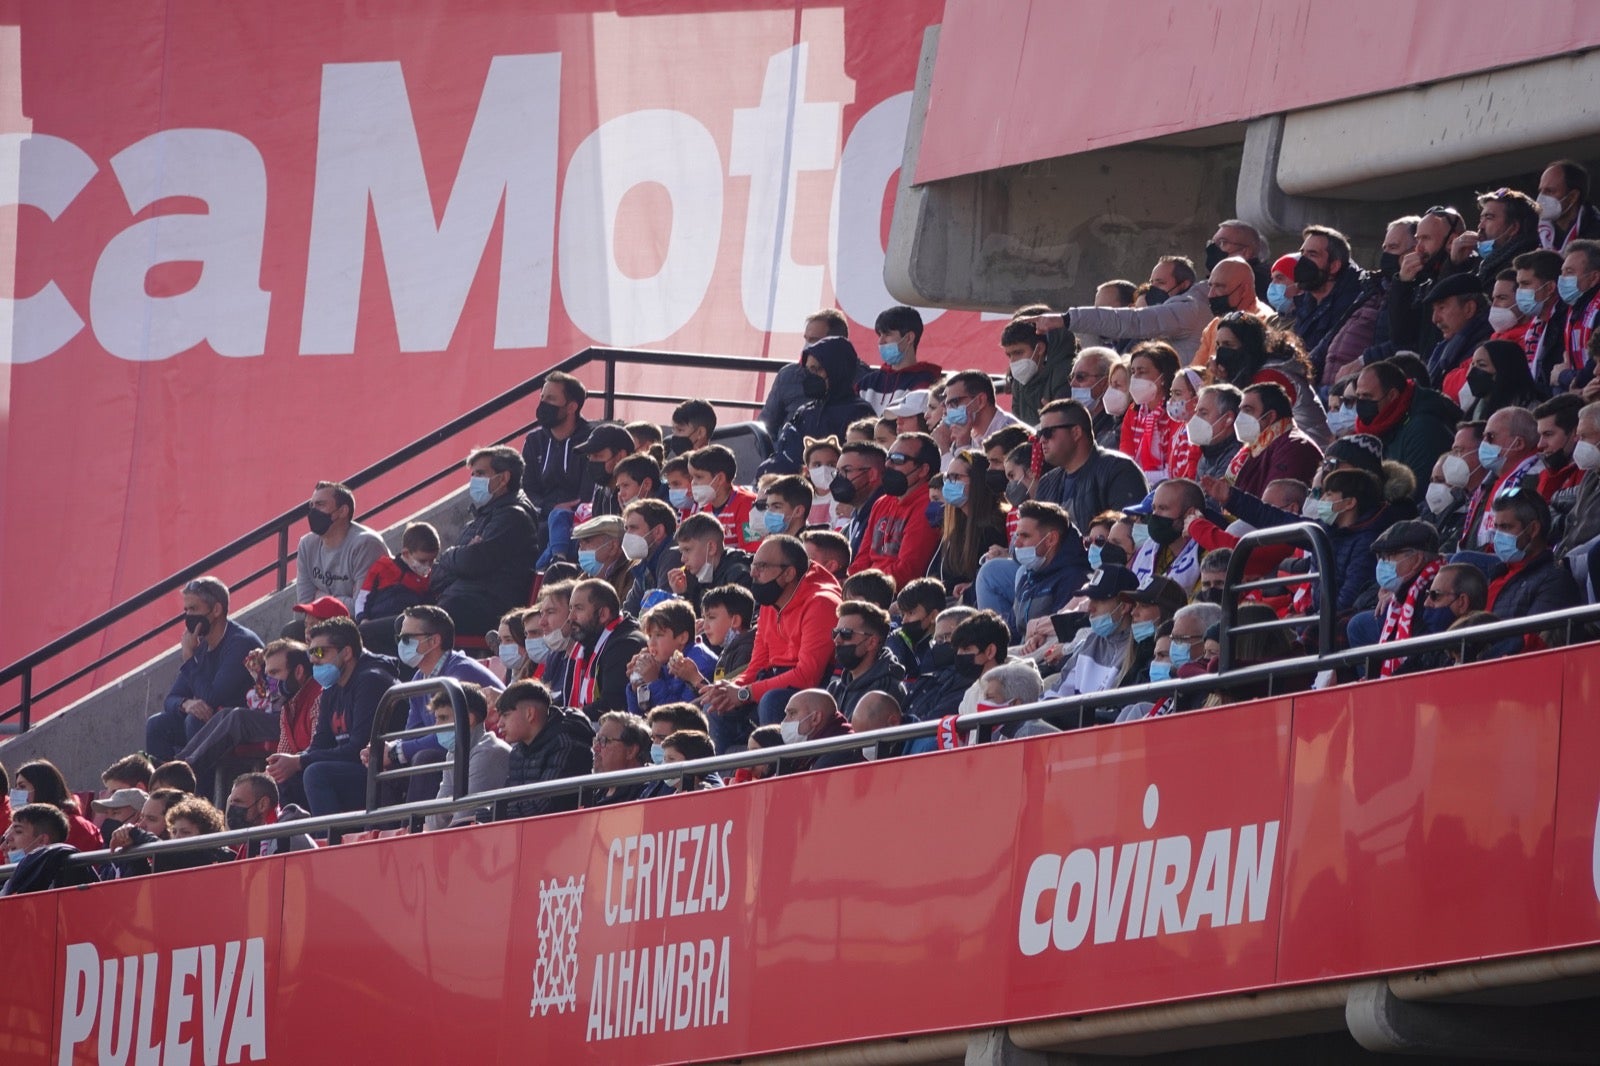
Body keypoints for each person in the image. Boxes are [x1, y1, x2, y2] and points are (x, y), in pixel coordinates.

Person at [702, 535, 841, 727]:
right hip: (773, 680)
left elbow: (807, 676)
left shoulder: (822, 603)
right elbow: (757, 666)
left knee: (772, 700)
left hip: (810, 691)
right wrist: (731, 688)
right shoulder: (770, 602)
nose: (753, 574)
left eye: (762, 567)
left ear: (788, 574)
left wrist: (745, 692)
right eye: (753, 566)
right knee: (716, 704)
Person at [266, 616, 398, 816]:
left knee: (315, 773)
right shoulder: (331, 688)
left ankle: (329, 840)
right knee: (287, 777)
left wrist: (300, 761)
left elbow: (359, 748)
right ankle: (296, 841)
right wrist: (293, 761)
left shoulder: (372, 680)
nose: (313, 659)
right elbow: (320, 744)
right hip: (351, 769)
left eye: (320, 651)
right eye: (311, 652)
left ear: (346, 653)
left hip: (381, 771)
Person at [377, 605, 501, 803]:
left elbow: (454, 733)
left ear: (434, 641)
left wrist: (396, 751)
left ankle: (416, 830)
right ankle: (386, 831)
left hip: (482, 753)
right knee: (384, 764)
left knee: (424, 758)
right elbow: (413, 732)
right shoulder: (419, 677)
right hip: (452, 751)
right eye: (399, 639)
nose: (401, 644)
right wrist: (387, 750)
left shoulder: (461, 672)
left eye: (407, 638)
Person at [174, 636, 321, 793]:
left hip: (309, 774)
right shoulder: (288, 706)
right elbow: (282, 755)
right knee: (226, 713)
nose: (269, 681)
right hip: (287, 752)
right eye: (267, 674)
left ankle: (182, 773)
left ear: (298, 671)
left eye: (274, 673)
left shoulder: (317, 697)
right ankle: (176, 765)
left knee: (239, 717)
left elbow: (316, 749)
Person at [146, 576, 264, 762]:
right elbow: (171, 699)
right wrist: (186, 704)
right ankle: (167, 786)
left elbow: (213, 699)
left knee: (197, 720)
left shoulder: (241, 642)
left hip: (240, 727)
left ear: (216, 609)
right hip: (208, 725)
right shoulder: (200, 647)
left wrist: (188, 658)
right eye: (186, 610)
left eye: (194, 609)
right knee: (157, 724)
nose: (188, 617)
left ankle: (200, 790)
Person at [431, 445, 538, 639]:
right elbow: (437, 573)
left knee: (390, 633)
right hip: (458, 599)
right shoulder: (482, 517)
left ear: (503, 478)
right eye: (472, 474)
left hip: (482, 609)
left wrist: (449, 555)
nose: (473, 480)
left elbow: (473, 562)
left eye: (480, 473)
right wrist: (459, 557)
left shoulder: (513, 517)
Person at [1034, 255, 1212, 362]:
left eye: (1161, 283)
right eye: (1152, 282)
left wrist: (1067, 319)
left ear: (1184, 285)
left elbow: (1133, 321)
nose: (1153, 289)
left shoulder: (1188, 308)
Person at [1209, 312, 1330, 447]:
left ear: (1248, 346)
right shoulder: (1251, 373)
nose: (1221, 352)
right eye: (1218, 346)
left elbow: (1245, 426)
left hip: (1307, 453)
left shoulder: (1271, 377)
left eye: (1228, 345)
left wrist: (1225, 385)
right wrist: (1223, 379)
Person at [761, 336, 878, 475]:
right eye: (810, 370)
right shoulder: (805, 411)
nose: (812, 376)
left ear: (838, 370)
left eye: (819, 369)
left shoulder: (859, 412)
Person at [1346, 520, 1447, 676]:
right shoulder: (1405, 589)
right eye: (1381, 558)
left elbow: (1423, 655)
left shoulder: (1432, 593)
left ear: (1418, 558)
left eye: (1390, 557)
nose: (1383, 564)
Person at [1031, 398, 1149, 525]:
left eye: (1048, 432)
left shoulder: (1119, 470)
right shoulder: (1047, 483)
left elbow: (1128, 531)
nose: (1042, 439)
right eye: (1040, 433)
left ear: (1076, 432)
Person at [849, 432, 941, 586]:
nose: (888, 465)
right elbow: (862, 559)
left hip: (896, 595)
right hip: (867, 589)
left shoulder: (928, 504)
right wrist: (851, 584)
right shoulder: (882, 503)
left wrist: (864, 587)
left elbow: (909, 570)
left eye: (898, 459)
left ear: (923, 470)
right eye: (888, 458)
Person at [291, 481, 388, 627]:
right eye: (312, 505)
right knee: (293, 629)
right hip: (322, 621)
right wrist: (342, 600)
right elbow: (304, 604)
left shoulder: (366, 544)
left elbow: (358, 608)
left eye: (320, 505)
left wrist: (320, 595)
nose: (313, 512)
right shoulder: (307, 544)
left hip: (359, 625)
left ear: (342, 511)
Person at [521, 370, 592, 565]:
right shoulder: (534, 441)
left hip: (577, 519)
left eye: (551, 399)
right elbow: (527, 488)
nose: (543, 404)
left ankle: (554, 564)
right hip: (541, 515)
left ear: (571, 407)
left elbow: (588, 492)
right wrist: (549, 507)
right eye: (542, 397)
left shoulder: (591, 440)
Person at [498, 679, 595, 819]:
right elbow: (505, 800)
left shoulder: (565, 743)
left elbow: (543, 806)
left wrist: (492, 815)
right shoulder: (517, 751)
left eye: (505, 715)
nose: (499, 723)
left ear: (530, 714)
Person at [1486, 488, 1582, 624]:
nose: (1498, 536)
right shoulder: (1496, 575)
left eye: (1506, 527)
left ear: (1533, 529)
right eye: (1496, 528)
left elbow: (1532, 640)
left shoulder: (1554, 581)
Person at [422, 683, 509, 830]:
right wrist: (453, 804)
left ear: (468, 719)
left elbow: (464, 819)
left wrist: (450, 805)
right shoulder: (452, 754)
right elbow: (433, 822)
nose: (436, 726)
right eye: (436, 719)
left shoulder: (488, 752)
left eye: (443, 718)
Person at [759, 308, 852, 439]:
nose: (808, 346)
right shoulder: (788, 375)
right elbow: (766, 426)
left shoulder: (859, 379)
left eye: (814, 340)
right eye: (806, 339)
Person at [1461, 407, 1543, 553]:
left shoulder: (1533, 479)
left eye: (1490, 437)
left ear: (1518, 444)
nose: (1484, 443)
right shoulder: (1490, 482)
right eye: (1483, 436)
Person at [564, 579, 648, 720]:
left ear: (603, 614)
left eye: (578, 608)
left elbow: (611, 706)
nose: (570, 617)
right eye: (570, 608)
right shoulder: (589, 641)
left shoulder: (626, 645)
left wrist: (564, 719)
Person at [1389, 205, 1467, 358]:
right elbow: (1401, 337)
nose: (1418, 248)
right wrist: (1403, 283)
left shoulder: (1469, 272)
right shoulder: (1425, 281)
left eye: (1426, 238)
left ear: (1451, 240)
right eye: (1418, 239)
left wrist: (1452, 265)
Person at [353, 521, 437, 653]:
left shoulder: (430, 578)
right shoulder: (383, 567)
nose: (427, 566)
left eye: (431, 561)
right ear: (406, 554)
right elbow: (363, 598)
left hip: (407, 625)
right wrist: (363, 619)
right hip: (377, 622)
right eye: (422, 561)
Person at [1230, 382, 1323, 496]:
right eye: (1241, 411)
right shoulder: (1256, 448)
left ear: (1270, 417)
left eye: (1248, 410)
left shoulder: (1294, 448)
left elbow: (1275, 503)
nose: (1240, 417)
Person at [626, 599, 717, 715]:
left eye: (659, 635)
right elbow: (637, 716)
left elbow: (677, 719)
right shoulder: (663, 660)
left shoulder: (700, 663)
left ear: (682, 638)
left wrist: (653, 681)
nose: (651, 643)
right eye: (649, 636)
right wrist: (637, 685)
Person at [826, 601, 908, 721]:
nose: (837, 640)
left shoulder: (888, 691)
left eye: (846, 633)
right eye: (835, 633)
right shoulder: (835, 688)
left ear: (871, 642)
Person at [1290, 225, 1363, 356]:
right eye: (1302, 254)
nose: (1303, 261)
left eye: (1312, 255)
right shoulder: (1305, 302)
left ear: (1334, 266)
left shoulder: (1353, 304)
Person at [1539, 238, 1600, 395]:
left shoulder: (1596, 309)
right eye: (1562, 272)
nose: (1563, 279)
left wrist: (1563, 376)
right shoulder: (1573, 308)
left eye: (1570, 273)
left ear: (1594, 278)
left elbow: (1592, 370)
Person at [1118, 341, 1183, 483]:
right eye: (1133, 372)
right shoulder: (1133, 412)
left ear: (1163, 377)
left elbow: (1173, 469)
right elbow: (1125, 460)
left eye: (1142, 372)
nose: (1135, 378)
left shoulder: (1176, 413)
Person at [860, 305, 944, 413]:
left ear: (909, 338)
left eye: (887, 334)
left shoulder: (927, 383)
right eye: (880, 335)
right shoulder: (866, 383)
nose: (880, 341)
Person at [1418, 272, 1494, 390]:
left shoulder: (1485, 349)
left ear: (1469, 309)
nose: (1435, 319)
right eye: (1434, 310)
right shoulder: (1451, 347)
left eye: (1442, 308)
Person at [1193, 256, 1274, 367]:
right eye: (1210, 286)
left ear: (1244, 290)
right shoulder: (1215, 324)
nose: (1211, 295)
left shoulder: (1265, 322)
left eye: (1219, 287)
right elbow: (1196, 370)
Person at [1, 805, 99, 895]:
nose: (3, 847)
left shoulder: (58, 883)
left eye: (18, 831)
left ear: (42, 840)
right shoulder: (8, 883)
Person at [1000, 309, 1075, 425]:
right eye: (1009, 355)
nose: (1013, 361)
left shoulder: (1065, 372)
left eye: (1018, 352)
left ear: (1040, 349)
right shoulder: (1018, 382)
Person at [1555, 401, 1600, 592]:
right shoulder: (1591, 474)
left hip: (1587, 563)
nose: (1577, 443)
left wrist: (1567, 563)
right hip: (1566, 560)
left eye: (1584, 437)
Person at [668, 512, 753, 612]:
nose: (682, 559)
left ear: (711, 548)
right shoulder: (701, 577)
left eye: (687, 550)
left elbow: (735, 622)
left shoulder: (739, 575)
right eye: (681, 552)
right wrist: (681, 594)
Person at [13, 760, 100, 852]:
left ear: (42, 788)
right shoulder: (28, 822)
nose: (15, 792)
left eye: (22, 787)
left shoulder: (74, 826)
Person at [225, 772, 315, 857]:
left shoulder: (287, 838)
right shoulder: (251, 842)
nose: (232, 809)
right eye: (231, 803)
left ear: (263, 805)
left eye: (238, 802)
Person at [620, 498, 681, 617]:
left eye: (633, 528)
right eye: (626, 529)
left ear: (658, 531)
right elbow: (629, 611)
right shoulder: (645, 562)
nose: (627, 535)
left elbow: (660, 612)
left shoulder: (673, 555)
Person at [1458, 340, 1541, 420]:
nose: (1472, 371)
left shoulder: (1529, 412)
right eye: (1472, 364)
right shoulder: (1475, 411)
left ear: (1504, 370)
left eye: (1482, 365)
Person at [776, 689, 854, 774]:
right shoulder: (806, 754)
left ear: (815, 718)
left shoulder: (838, 753)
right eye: (786, 714)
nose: (785, 721)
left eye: (792, 713)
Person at [584, 711, 653, 807]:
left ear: (631, 751)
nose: (596, 748)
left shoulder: (648, 793)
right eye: (596, 740)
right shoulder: (593, 793)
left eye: (604, 740)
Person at [833, 441, 888, 560]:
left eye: (846, 470)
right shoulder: (855, 520)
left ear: (872, 474)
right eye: (837, 472)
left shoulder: (885, 515)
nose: (840, 478)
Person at [941, 370, 1022, 450]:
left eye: (954, 402)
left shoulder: (1012, 435)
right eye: (947, 405)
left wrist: (963, 446)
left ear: (980, 400)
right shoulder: (969, 434)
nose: (947, 410)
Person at [1536, 159, 1600, 253]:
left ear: (1572, 197)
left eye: (1549, 191)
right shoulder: (1539, 235)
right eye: (1540, 191)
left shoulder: (1596, 235)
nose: (1540, 198)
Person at [573, 422, 634, 520]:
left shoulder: (635, 493)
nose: (591, 462)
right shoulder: (601, 493)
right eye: (589, 456)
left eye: (598, 456)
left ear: (621, 456)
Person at [887, 577, 945, 676]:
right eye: (903, 614)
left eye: (911, 613)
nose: (904, 620)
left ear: (933, 615)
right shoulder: (896, 639)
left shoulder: (944, 648)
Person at [571, 514, 633, 605]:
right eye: (580, 543)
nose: (581, 549)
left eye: (587, 541)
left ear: (613, 547)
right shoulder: (586, 576)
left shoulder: (631, 574)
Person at [1189, 383, 1245, 480]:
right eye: (1196, 412)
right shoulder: (1208, 453)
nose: (1195, 419)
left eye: (1203, 413)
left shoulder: (1235, 458)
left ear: (1228, 418)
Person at [1207, 219, 1274, 298]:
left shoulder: (1257, 283)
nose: (1212, 248)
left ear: (1246, 252)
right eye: (1211, 243)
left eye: (1223, 242)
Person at [758, 476, 812, 540]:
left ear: (798, 511)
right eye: (767, 506)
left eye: (776, 507)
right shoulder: (771, 542)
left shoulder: (812, 546)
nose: (768, 512)